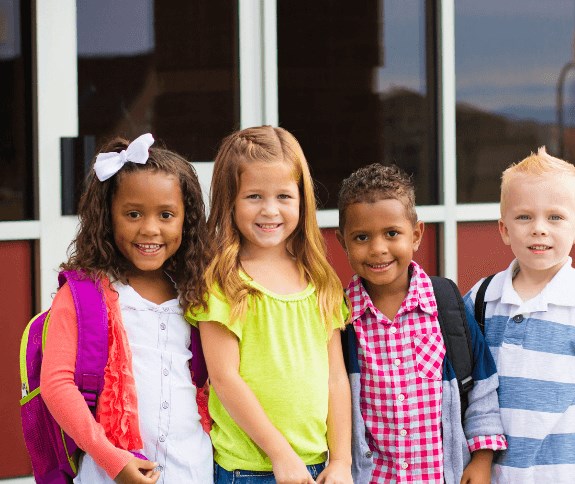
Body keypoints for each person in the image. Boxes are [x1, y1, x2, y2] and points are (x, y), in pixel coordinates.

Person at [40, 133, 213, 483]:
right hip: (110, 471)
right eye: (133, 214)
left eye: (166, 215)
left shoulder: (196, 292)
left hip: (192, 469)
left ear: (187, 220)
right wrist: (112, 460)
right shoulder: (83, 294)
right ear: (108, 216)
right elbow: (56, 384)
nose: (150, 229)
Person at [187, 126, 352, 484]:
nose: (270, 210)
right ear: (230, 200)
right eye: (254, 197)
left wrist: (341, 461)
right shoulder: (223, 281)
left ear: (301, 200)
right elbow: (225, 378)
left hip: (318, 467)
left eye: (283, 196)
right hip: (248, 470)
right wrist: (280, 454)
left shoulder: (320, 280)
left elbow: (336, 379)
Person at [463, 147, 575, 483]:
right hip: (497, 472)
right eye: (524, 216)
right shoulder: (483, 299)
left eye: (555, 217)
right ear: (503, 229)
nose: (539, 229)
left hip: (569, 471)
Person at [335, 163, 507, 484]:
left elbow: (482, 389)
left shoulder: (446, 306)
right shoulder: (339, 319)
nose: (378, 249)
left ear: (416, 235)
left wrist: (482, 459)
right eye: (361, 237)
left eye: (392, 233)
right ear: (342, 242)